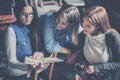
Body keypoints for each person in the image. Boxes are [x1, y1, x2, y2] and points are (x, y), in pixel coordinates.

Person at [75, 6, 120, 80]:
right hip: (90, 76)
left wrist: (96, 68)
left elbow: (119, 63)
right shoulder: (83, 35)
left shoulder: (112, 36)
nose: (83, 28)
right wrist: (77, 73)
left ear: (98, 26)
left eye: (88, 26)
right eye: (83, 23)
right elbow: (80, 58)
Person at [3, 0, 45, 80]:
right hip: (15, 76)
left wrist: (39, 54)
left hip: (30, 74)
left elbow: (40, 49)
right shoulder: (11, 30)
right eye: (23, 14)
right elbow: (11, 61)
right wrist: (31, 65)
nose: (28, 18)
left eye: (31, 14)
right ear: (17, 13)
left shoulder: (34, 27)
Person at [42, 5, 82, 80]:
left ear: (71, 24)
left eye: (63, 23)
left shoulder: (77, 27)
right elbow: (49, 46)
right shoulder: (50, 18)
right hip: (44, 50)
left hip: (60, 55)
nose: (58, 24)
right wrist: (69, 52)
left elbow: (82, 45)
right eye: (58, 19)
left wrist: (75, 54)